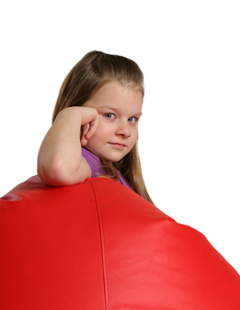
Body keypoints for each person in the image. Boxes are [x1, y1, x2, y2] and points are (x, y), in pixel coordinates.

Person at [37, 51, 154, 205]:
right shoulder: (87, 162)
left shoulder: (117, 172)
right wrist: (70, 114)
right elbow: (58, 169)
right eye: (110, 115)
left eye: (132, 119)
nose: (125, 131)